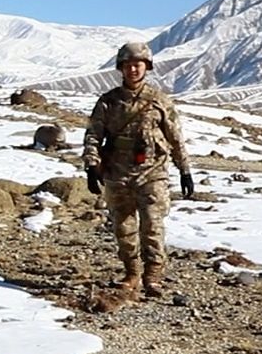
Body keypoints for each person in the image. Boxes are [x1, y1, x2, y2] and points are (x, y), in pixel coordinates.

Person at [83, 40, 194, 295]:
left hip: (152, 173)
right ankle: (131, 273)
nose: (133, 70)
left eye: (138, 65)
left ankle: (153, 276)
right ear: (121, 68)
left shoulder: (159, 101)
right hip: (117, 174)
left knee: (152, 226)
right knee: (123, 228)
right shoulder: (108, 102)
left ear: (147, 67)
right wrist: (91, 165)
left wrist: (184, 171)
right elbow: (93, 135)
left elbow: (175, 138)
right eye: (129, 65)